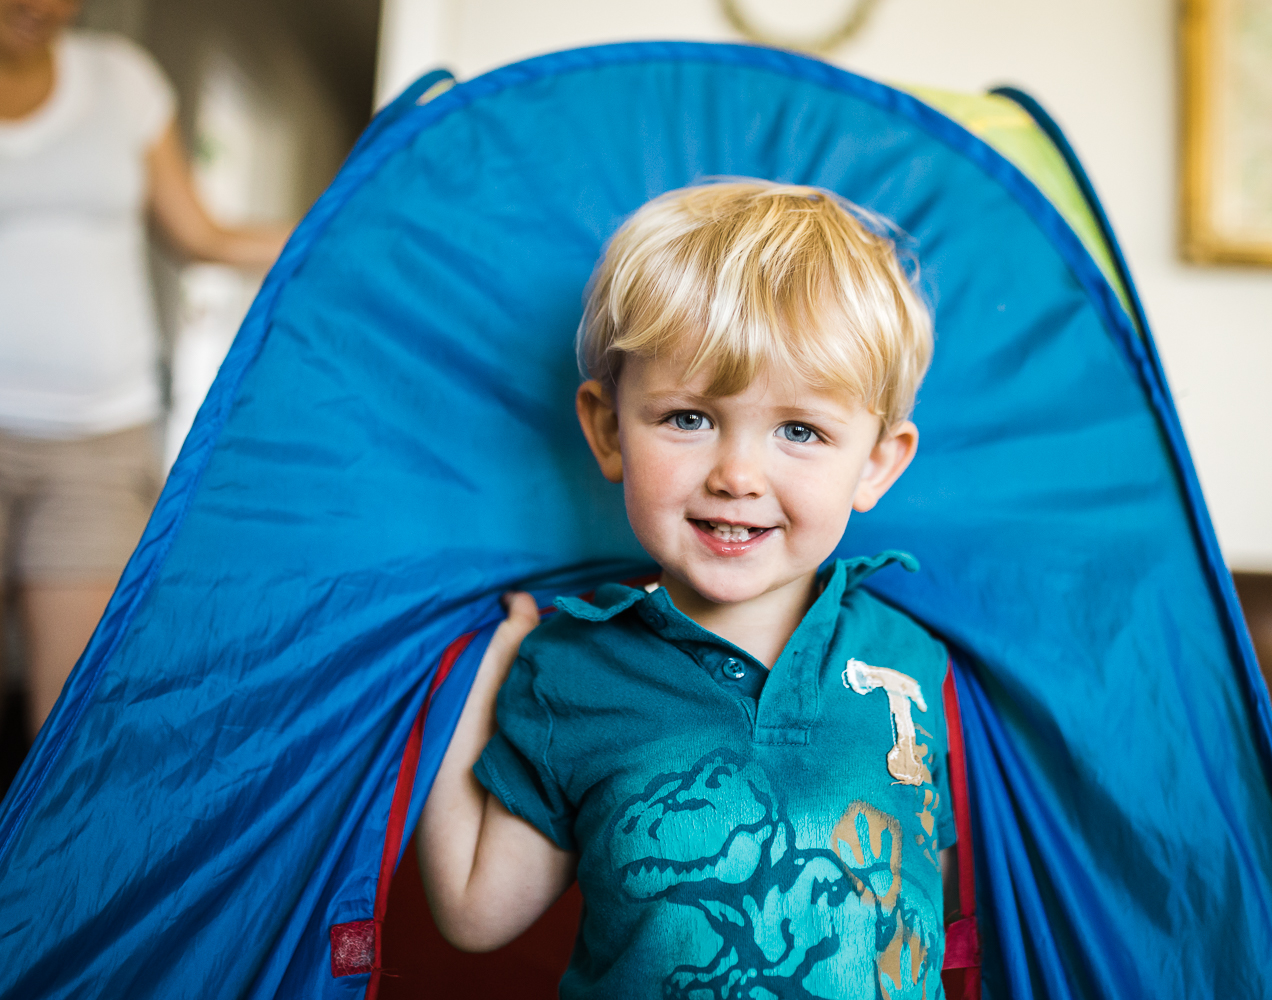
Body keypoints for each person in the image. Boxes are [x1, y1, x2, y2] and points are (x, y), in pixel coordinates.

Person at [419, 181, 956, 997]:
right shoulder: (569, 671)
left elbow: (924, 905)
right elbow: (472, 910)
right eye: (688, 418)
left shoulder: (911, 662)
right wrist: (480, 675)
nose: (738, 475)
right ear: (607, 429)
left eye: (800, 431)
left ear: (877, 463)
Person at [0, 0, 290, 736]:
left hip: (100, 442)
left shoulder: (121, 81)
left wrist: (354, 227)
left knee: (70, 721)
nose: (40, 7)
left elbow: (205, 235)